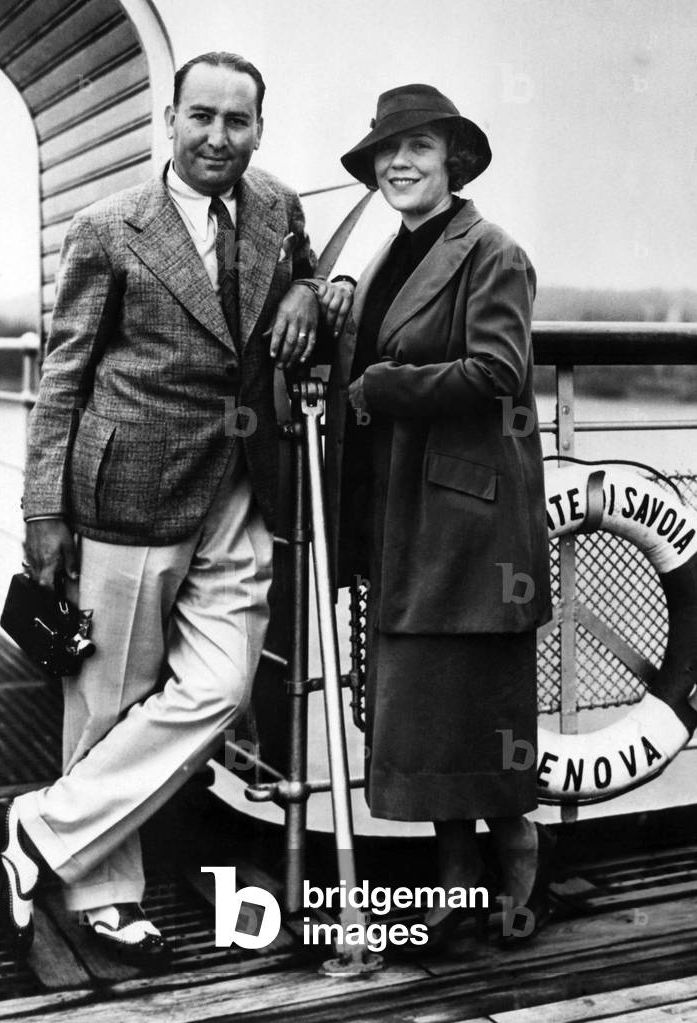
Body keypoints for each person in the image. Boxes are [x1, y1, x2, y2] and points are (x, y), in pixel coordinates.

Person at [0, 51, 330, 964]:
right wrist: (43, 509)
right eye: (203, 118)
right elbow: (63, 377)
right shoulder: (108, 228)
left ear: (259, 127)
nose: (219, 137)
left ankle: (43, 828)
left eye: (239, 121)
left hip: (235, 483)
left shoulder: (277, 206)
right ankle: (103, 895)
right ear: (170, 121)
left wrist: (308, 289)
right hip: (126, 491)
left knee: (220, 686)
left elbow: (306, 272)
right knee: (106, 697)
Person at [324, 84, 553, 950]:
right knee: (420, 714)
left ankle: (521, 856)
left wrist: (385, 389)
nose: (400, 162)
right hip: (399, 515)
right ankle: (457, 887)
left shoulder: (492, 250)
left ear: (452, 158)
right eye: (386, 151)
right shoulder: (387, 254)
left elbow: (498, 369)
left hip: (467, 524)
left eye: (417, 146)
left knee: (477, 703)